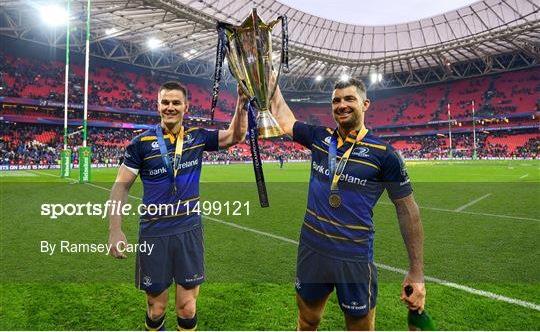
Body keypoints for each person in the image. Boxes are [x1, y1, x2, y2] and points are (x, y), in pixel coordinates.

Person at [270, 77, 425, 330]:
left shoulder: (385, 155)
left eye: (349, 99)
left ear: (365, 104)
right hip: (312, 249)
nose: (341, 105)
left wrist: (416, 272)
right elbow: (284, 118)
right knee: (307, 320)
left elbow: (408, 211)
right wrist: (269, 78)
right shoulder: (319, 137)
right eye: (336, 101)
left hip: (353, 256)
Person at [107, 81, 247, 331]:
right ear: (158, 105)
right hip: (154, 232)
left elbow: (235, 136)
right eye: (165, 102)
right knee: (156, 307)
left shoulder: (197, 137)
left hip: (188, 231)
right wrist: (114, 230)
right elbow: (120, 188)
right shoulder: (141, 143)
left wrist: (242, 103)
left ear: (186, 107)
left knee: (187, 308)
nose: (170, 107)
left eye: (175, 103)